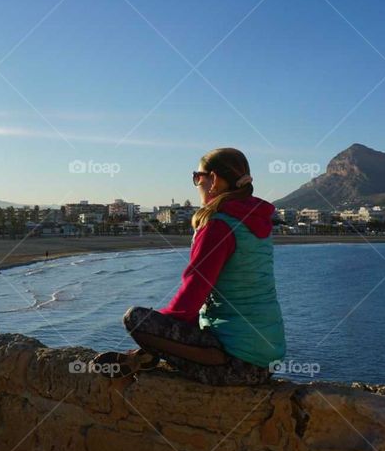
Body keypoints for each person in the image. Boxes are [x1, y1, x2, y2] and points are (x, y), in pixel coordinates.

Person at [90, 147, 286, 386]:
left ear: (213, 179)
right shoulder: (257, 221)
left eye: (197, 177)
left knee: (136, 319)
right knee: (196, 317)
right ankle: (151, 355)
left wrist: (157, 328)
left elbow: (191, 296)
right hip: (267, 360)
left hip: (235, 366)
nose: (196, 184)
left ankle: (188, 355)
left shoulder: (218, 226)